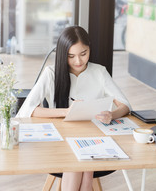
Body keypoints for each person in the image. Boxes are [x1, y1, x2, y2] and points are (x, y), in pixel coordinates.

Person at [16, 25, 131, 191]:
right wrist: (65, 112)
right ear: (63, 55)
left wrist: (112, 114)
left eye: (83, 54)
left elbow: (125, 104)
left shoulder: (99, 72)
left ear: (89, 48)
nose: (78, 61)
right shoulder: (51, 73)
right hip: (61, 142)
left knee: (82, 162)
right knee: (80, 164)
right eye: (71, 56)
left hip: (94, 140)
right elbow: (28, 110)